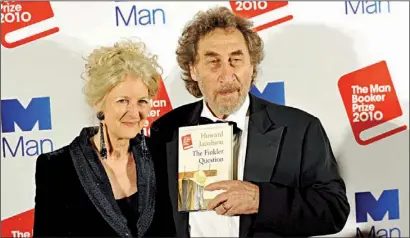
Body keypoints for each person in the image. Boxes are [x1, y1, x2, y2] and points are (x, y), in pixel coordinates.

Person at [147, 6, 350, 238]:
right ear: (193, 69)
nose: (226, 75)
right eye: (213, 62)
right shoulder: (167, 129)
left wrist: (260, 199)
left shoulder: (300, 129)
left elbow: (334, 210)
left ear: (251, 65)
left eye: (236, 60)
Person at [33, 39, 162, 237]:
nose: (134, 113)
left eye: (142, 101)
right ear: (98, 103)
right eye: (123, 101)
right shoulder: (57, 168)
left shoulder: (160, 154)